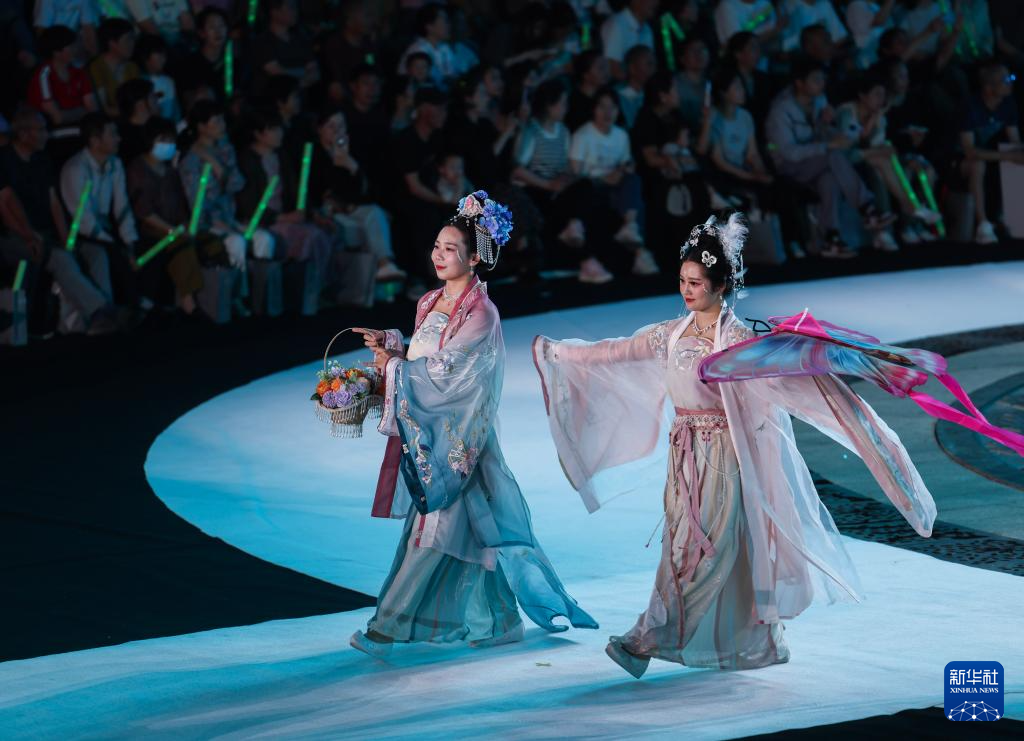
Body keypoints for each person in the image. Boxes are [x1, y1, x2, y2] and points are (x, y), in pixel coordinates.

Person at [532, 213, 937, 678]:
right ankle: (755, 642)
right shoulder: (669, 335)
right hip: (685, 457)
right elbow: (613, 351)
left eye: (696, 283)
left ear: (721, 285)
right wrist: (557, 353)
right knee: (685, 547)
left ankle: (647, 638)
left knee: (707, 550)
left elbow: (789, 379)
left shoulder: (739, 343)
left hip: (726, 458)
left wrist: (847, 361)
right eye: (682, 281)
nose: (686, 291)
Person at [348, 191, 597, 657]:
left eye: (450, 249)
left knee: (434, 534)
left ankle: (387, 628)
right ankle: (498, 619)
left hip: (460, 441)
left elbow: (449, 373)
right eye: (437, 246)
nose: (439, 255)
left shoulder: (481, 313)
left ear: (473, 257)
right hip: (438, 438)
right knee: (475, 536)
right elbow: (426, 354)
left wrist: (394, 370)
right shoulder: (431, 300)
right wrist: (393, 348)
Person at [765, 58, 895, 256]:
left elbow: (831, 137)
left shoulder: (820, 101)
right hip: (789, 166)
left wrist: (828, 125)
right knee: (831, 156)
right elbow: (788, 152)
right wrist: (827, 145)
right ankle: (867, 208)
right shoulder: (781, 111)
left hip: (816, 163)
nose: (821, 84)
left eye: (822, 79)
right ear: (799, 83)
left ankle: (831, 238)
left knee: (829, 179)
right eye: (816, 79)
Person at [570, 87, 659, 275]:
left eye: (612, 107)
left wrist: (623, 170)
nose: (607, 112)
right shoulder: (582, 135)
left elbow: (626, 163)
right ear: (594, 109)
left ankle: (631, 228)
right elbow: (576, 173)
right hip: (592, 185)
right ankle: (639, 253)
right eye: (602, 107)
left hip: (616, 184)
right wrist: (603, 178)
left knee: (633, 183)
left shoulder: (621, 135)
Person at [955, 61, 1023, 245]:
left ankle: (1016, 221)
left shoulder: (1008, 104)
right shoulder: (969, 107)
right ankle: (983, 224)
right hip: (957, 160)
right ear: (988, 87)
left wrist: (1017, 154)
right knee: (978, 165)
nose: (1011, 83)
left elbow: (1015, 142)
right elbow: (970, 152)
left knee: (1018, 157)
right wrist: (1009, 156)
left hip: (989, 155)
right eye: (1005, 80)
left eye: (1011, 78)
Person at [89, 18, 140, 118]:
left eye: (133, 39)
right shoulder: (96, 68)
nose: (132, 43)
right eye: (128, 40)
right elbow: (104, 108)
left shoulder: (132, 67)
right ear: (112, 43)